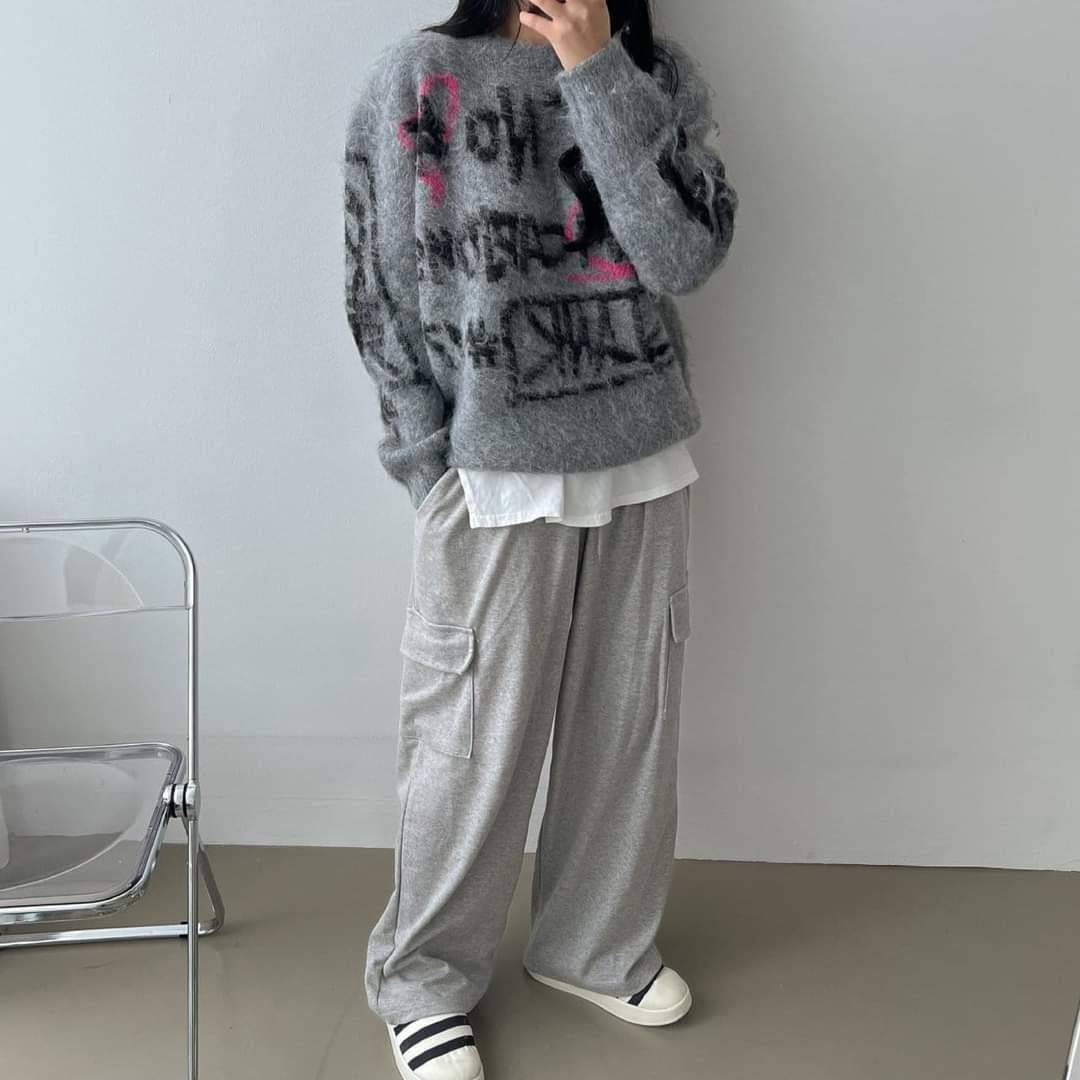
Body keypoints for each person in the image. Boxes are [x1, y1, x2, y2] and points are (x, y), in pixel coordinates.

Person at [343, 1, 737, 1076]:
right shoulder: (421, 73)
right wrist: (425, 460)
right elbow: (378, 283)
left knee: (625, 730)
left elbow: (684, 255)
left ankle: (593, 947)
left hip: (644, 455)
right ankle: (424, 980)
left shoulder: (655, 75)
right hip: (489, 471)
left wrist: (595, 68)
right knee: (469, 746)